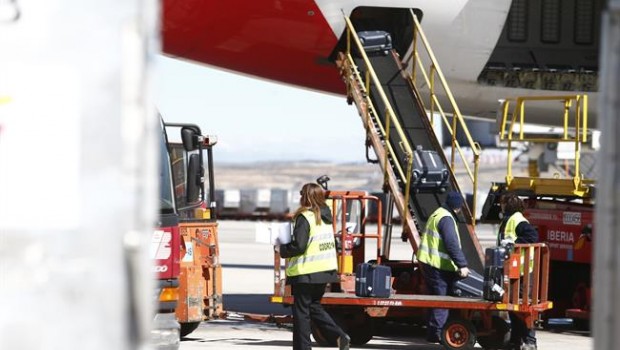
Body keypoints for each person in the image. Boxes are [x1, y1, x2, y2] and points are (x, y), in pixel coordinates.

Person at [277, 183, 350, 350]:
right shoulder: (325, 218)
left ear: (306, 197)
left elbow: (299, 246)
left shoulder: (305, 217)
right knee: (314, 307)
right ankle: (339, 336)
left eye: (301, 194)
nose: (300, 197)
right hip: (325, 272)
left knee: (301, 315)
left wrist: (281, 249)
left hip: (306, 273)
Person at [416, 191, 470, 343]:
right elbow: (451, 244)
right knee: (442, 300)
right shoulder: (446, 219)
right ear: (457, 207)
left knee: (434, 299)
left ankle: (433, 332)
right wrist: (462, 265)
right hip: (438, 265)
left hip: (429, 262)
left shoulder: (438, 213)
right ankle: (438, 333)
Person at [498, 192, 539, 350]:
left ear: (508, 205)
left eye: (502, 203)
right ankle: (516, 340)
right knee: (513, 307)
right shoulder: (508, 219)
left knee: (523, 307)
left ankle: (530, 341)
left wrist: (514, 242)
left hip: (521, 271)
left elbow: (532, 236)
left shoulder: (517, 219)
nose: (500, 205)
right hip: (512, 271)